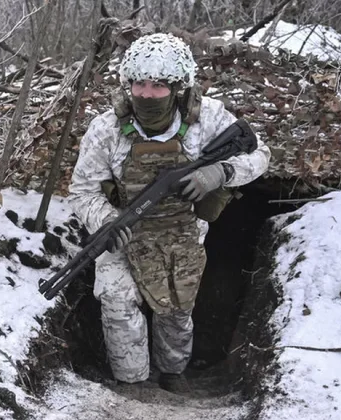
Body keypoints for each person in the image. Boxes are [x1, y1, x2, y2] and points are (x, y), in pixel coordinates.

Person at [67, 33, 271, 393]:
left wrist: (220, 172)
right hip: (125, 232)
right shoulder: (106, 130)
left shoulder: (208, 119)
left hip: (183, 232)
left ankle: (172, 373)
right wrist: (106, 221)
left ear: (178, 87)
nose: (147, 94)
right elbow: (82, 191)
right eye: (139, 84)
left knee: (176, 307)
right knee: (116, 298)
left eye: (159, 85)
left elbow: (259, 155)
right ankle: (132, 384)